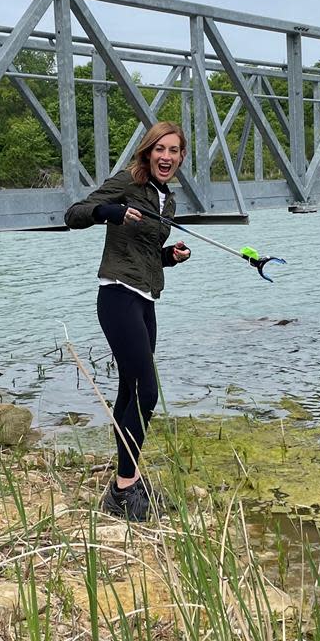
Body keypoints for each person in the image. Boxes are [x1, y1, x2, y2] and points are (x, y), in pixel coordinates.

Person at [64, 122, 191, 521]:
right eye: (160, 149)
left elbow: (148, 253)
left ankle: (129, 478)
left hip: (144, 299)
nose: (166, 156)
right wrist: (108, 212)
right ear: (148, 152)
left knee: (128, 393)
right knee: (146, 393)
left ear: (182, 157)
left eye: (174, 150)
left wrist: (170, 256)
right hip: (117, 295)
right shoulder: (127, 182)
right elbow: (74, 214)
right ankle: (122, 491)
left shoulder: (165, 198)